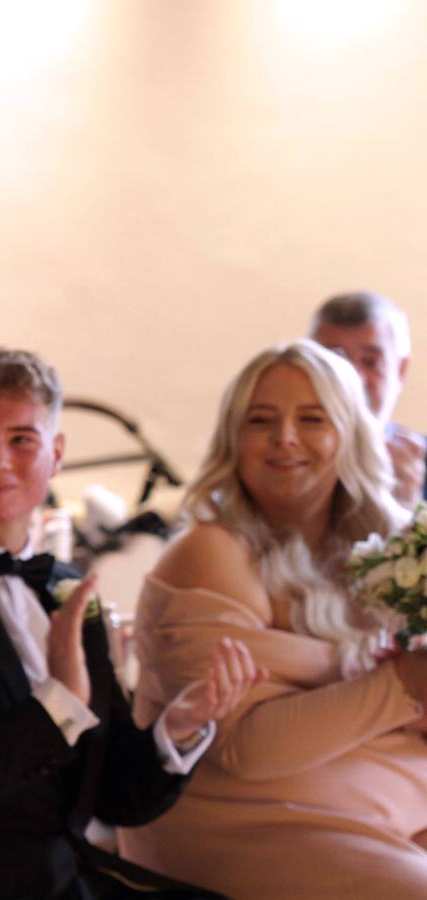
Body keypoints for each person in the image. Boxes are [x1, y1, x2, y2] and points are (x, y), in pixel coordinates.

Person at [0, 347, 260, 899]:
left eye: (21, 439)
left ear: (56, 453)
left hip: (66, 879)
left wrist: (179, 726)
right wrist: (57, 704)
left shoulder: (66, 588)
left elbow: (117, 798)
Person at [117, 340, 427, 898]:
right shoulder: (210, 553)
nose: (285, 438)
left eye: (312, 419)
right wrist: (399, 686)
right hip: (247, 827)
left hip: (392, 811)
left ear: (350, 436)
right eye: (262, 421)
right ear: (234, 440)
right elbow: (248, 752)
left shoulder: (387, 553)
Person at [309, 291, 425, 503]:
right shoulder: (284, 458)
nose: (353, 376)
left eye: (370, 361)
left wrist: (410, 508)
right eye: (336, 359)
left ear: (400, 370)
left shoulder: (419, 462)